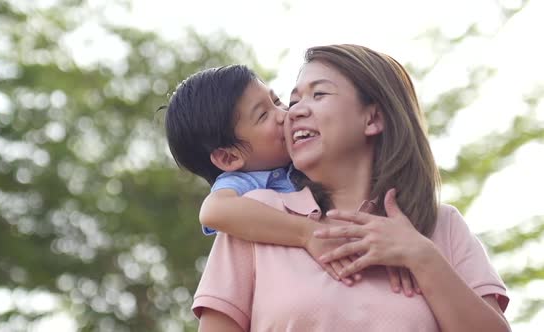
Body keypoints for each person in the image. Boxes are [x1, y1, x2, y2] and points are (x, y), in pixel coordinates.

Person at [192, 44, 510, 331]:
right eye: (294, 100)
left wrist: (421, 256)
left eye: (319, 95)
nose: (294, 112)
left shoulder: (442, 227)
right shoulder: (256, 216)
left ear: (372, 118)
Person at [165, 65, 415, 289]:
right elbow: (214, 212)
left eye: (277, 101)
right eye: (263, 115)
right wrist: (307, 234)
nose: (285, 114)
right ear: (229, 159)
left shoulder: (305, 166)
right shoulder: (247, 183)